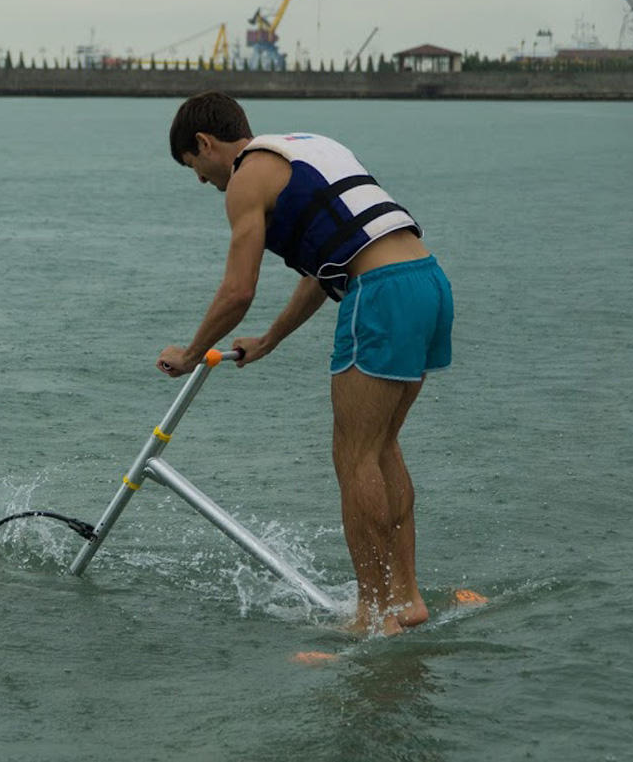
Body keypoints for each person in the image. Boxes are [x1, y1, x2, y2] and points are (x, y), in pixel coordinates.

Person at [156, 91, 453, 636]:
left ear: (205, 143)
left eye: (194, 167)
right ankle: (405, 599)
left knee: (354, 457)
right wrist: (270, 339)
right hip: (428, 281)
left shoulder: (246, 178)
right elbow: (327, 264)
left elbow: (237, 290)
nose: (201, 181)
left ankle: (371, 615)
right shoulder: (308, 147)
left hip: (381, 293)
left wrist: (191, 351)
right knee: (382, 447)